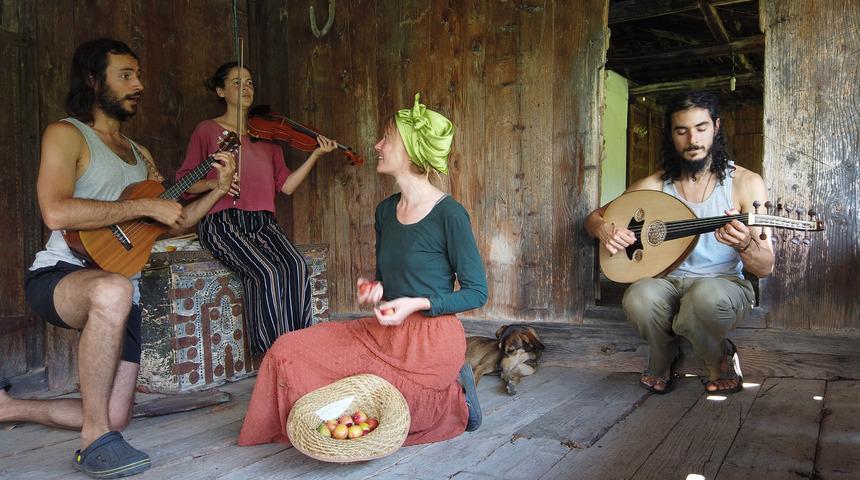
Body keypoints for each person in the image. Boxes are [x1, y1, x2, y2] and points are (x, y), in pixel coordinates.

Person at [0, 38, 236, 478]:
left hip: (122, 291)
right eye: (126, 75)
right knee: (110, 289)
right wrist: (142, 206)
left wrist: (218, 189)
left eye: (139, 75)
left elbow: (175, 222)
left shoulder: (140, 155)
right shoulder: (67, 133)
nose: (139, 84)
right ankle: (94, 443)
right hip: (63, 274)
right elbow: (55, 210)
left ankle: (9, 406)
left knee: (116, 414)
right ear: (93, 80)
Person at [237, 93, 488, 447]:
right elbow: (388, 277)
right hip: (384, 333)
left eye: (388, 138)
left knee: (393, 413)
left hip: (427, 341)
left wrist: (415, 304)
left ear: (413, 149)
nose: (377, 144)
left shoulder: (450, 214)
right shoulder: (385, 211)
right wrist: (377, 290)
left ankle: (456, 392)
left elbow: (477, 292)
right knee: (287, 349)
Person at [585, 90, 774, 395]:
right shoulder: (655, 185)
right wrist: (604, 229)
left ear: (716, 127)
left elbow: (764, 266)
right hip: (667, 282)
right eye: (681, 131)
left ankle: (718, 358)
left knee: (701, 298)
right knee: (638, 297)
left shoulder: (745, 183)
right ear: (671, 135)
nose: (692, 140)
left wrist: (745, 246)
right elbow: (594, 217)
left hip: (721, 284)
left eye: (701, 128)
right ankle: (665, 353)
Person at [176, 61, 336, 355]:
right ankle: (275, 354)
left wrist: (315, 155)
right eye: (237, 82)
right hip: (222, 222)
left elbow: (286, 186)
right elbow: (184, 183)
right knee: (266, 272)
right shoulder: (207, 130)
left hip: (263, 222)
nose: (246, 88)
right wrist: (214, 185)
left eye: (249, 82)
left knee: (297, 267)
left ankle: (299, 349)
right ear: (220, 90)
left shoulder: (267, 137)